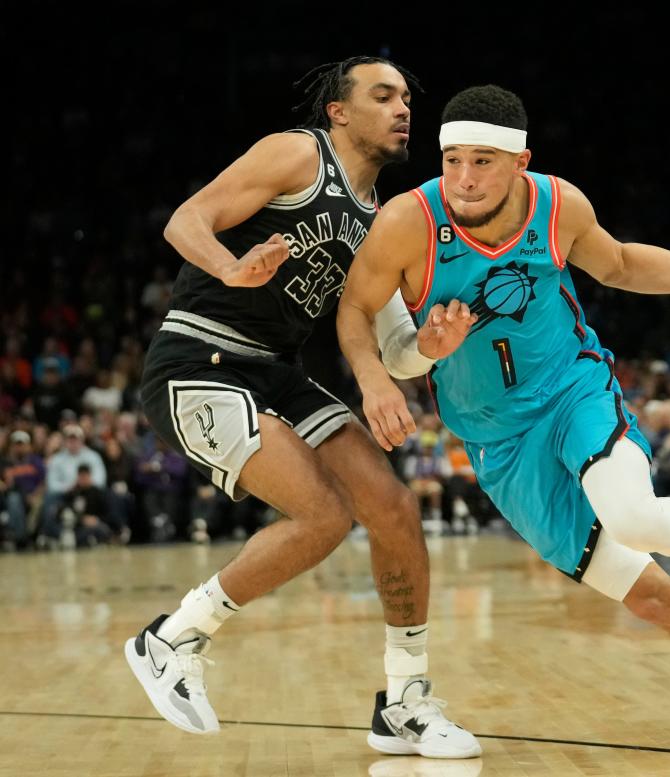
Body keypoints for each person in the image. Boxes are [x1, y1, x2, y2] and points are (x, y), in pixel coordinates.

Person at [338, 84, 670, 734]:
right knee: (655, 601)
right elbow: (356, 307)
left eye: (483, 162)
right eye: (453, 160)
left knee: (633, 514)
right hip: (498, 443)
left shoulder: (556, 206)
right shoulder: (408, 224)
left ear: (520, 163)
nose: (464, 179)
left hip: (572, 391)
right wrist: (383, 373)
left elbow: (619, 264)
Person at [125, 56, 480, 759]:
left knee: (394, 507)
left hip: (273, 370)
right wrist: (228, 266)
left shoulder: (380, 218)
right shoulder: (297, 153)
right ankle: (170, 639)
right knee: (322, 516)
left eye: (407, 97)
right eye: (383, 96)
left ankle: (404, 702)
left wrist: (430, 347)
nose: (402, 108)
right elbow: (186, 219)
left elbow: (392, 344)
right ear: (340, 112)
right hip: (199, 358)